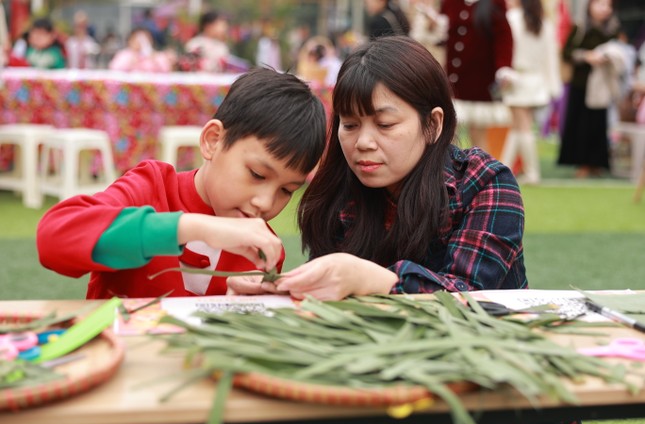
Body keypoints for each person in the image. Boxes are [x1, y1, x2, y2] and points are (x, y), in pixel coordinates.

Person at [228, 36, 527, 300]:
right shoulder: (339, 192)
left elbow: (469, 296)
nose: (363, 142)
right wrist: (281, 286)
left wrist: (373, 280)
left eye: (384, 124)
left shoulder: (485, 183)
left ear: (433, 124)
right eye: (350, 125)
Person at [37, 67, 327, 300]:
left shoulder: (261, 249)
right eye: (257, 174)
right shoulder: (152, 187)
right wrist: (193, 227)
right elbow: (53, 239)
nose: (265, 203)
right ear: (213, 141)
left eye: (286, 191)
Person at [422, 0, 514, 152]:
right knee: (447, 130)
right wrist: (433, 25)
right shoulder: (451, 2)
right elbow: (443, 36)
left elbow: (504, 37)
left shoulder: (495, 3)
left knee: (478, 134)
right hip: (454, 78)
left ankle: (483, 173)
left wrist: (503, 67)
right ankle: (444, 172)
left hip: (480, 79)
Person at [500, 0, 562, 185]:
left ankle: (530, 173)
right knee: (519, 126)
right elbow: (550, 58)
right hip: (535, 80)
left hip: (516, 78)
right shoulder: (545, 23)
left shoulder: (511, 18)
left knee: (522, 127)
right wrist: (552, 86)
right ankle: (505, 168)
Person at [557, 0, 621, 178]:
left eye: (608, 6)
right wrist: (587, 56)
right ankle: (581, 163)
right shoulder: (580, 28)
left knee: (598, 125)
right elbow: (567, 52)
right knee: (580, 125)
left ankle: (596, 163)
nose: (604, 9)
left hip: (601, 87)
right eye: (600, 4)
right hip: (581, 86)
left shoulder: (612, 30)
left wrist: (609, 57)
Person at [108, 27, 174, 73]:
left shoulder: (157, 55)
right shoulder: (124, 54)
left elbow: (166, 70)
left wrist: (154, 58)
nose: (141, 42)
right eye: (138, 38)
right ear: (130, 40)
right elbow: (114, 68)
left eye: (146, 38)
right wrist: (131, 61)